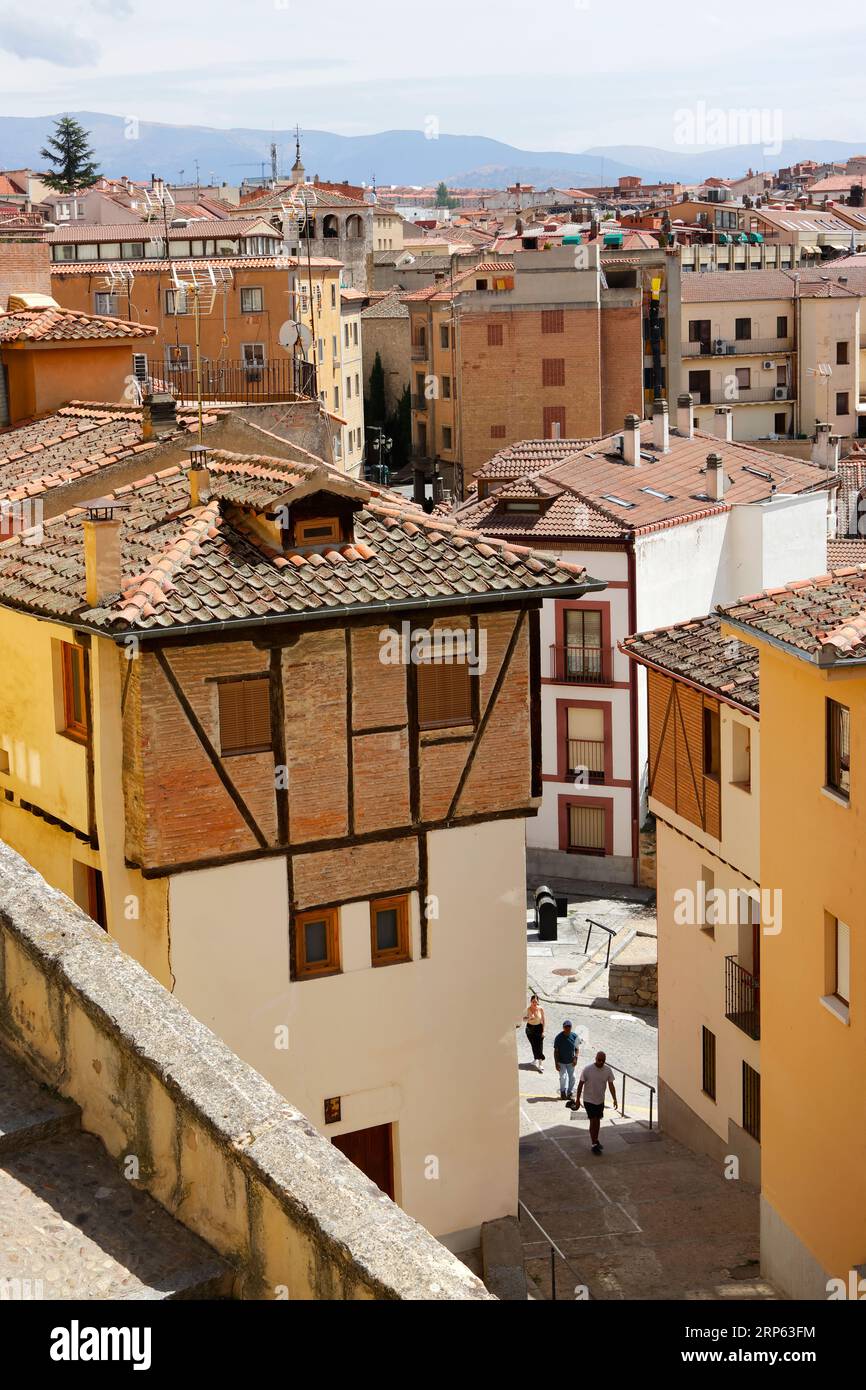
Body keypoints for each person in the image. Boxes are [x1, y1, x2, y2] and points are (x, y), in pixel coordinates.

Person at [575, 1050, 617, 1154]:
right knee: (593, 1120)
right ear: (595, 1058)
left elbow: (611, 1085)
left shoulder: (608, 1070)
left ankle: (595, 1139)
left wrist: (614, 1099)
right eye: (599, 1060)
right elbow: (580, 1085)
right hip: (589, 1100)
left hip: (600, 1100)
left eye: (603, 1060)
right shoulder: (588, 1069)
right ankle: (594, 1144)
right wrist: (577, 1099)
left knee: (597, 1121)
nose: (601, 1062)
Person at [553, 1020, 580, 1101]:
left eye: (569, 1027)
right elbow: (556, 1051)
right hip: (561, 1062)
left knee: (573, 1077)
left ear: (571, 1027)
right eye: (565, 1027)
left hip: (571, 1061)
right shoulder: (558, 1037)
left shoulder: (575, 1036)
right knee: (563, 1077)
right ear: (563, 1027)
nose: (567, 1028)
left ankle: (570, 1092)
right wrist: (556, 1063)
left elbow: (577, 1049)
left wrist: (575, 1058)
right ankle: (562, 1092)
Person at [523, 994, 546, 1072]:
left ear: (538, 1002)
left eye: (536, 1002)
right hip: (529, 1028)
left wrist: (543, 1031)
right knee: (533, 1045)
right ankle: (535, 1059)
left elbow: (543, 1020)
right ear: (531, 1001)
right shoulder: (528, 1009)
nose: (534, 1003)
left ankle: (540, 1064)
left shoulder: (541, 1009)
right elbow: (523, 1019)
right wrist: (529, 1017)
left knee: (539, 1045)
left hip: (538, 1028)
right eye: (533, 1002)